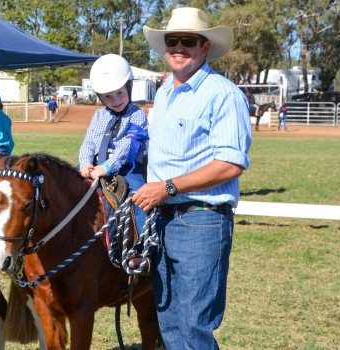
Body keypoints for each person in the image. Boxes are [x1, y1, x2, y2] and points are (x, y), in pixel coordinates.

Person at [133, 7, 252, 349]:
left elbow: (230, 164)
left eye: (189, 40)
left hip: (200, 220)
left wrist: (167, 187)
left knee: (192, 328)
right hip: (161, 219)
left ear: (204, 48)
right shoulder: (165, 93)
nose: (179, 47)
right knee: (168, 322)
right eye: (173, 40)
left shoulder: (222, 94)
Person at [78, 54, 148, 235]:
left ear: (129, 88)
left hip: (127, 168)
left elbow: (127, 148)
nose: (115, 101)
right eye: (108, 97)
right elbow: (89, 141)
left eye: (120, 93)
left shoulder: (137, 115)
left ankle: (142, 242)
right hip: (96, 164)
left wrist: (106, 167)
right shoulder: (99, 116)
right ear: (100, 97)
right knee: (65, 184)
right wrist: (85, 163)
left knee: (140, 197)